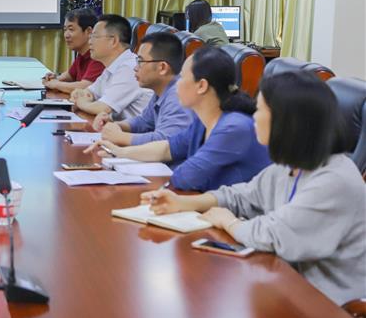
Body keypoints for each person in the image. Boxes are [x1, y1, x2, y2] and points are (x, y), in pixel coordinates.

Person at [141, 72, 364, 306]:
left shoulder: (334, 180)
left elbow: (275, 235)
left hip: (333, 308)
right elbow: (242, 196)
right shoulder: (288, 168)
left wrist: (229, 222)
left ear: (285, 121)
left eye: (260, 109)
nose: (254, 117)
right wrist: (183, 203)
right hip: (289, 289)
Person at [86, 47, 271, 191]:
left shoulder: (233, 127)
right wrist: (118, 152)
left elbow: (186, 177)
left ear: (202, 86)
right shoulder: (203, 122)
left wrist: (174, 165)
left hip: (238, 219)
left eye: (182, 78)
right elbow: (167, 148)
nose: (176, 84)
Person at [92, 32, 193, 146]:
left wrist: (120, 137)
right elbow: (144, 122)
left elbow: (165, 142)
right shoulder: (161, 91)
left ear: (162, 67)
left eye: (140, 62)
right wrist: (116, 125)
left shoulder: (178, 96)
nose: (135, 68)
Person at [70, 14, 152, 119]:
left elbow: (102, 108)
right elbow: (90, 92)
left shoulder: (130, 68)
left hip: (136, 129)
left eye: (94, 37)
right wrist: (80, 94)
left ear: (113, 41)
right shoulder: (113, 66)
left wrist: (80, 103)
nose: (89, 42)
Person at [41, 8, 105, 93]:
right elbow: (70, 75)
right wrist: (54, 78)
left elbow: (86, 87)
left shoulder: (99, 55)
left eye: (71, 29)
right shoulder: (82, 53)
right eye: (65, 30)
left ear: (89, 31)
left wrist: (56, 84)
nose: (66, 35)